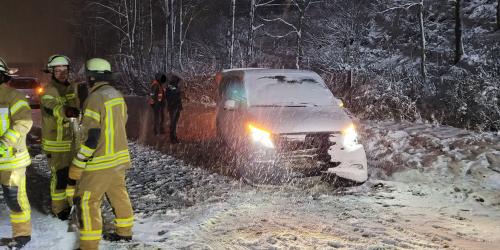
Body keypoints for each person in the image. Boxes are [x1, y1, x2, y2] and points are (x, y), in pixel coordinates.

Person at [68, 58, 134, 250]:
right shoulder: (117, 95)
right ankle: (125, 233)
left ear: (90, 78)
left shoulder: (94, 99)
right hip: (119, 158)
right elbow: (121, 123)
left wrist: (79, 161)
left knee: (87, 200)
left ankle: (88, 245)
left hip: (100, 161)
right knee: (119, 195)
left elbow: (91, 137)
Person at [40, 55, 80, 220]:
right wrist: (66, 111)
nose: (62, 73)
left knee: (74, 176)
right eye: (58, 70)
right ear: (52, 72)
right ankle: (59, 209)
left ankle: (72, 203)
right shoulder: (49, 90)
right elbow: (52, 107)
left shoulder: (72, 88)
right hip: (56, 144)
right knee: (60, 177)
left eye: (64, 70)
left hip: (72, 142)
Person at [0, 57, 32, 248]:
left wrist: (4, 143)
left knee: (15, 199)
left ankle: (22, 236)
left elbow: (24, 122)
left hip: (12, 160)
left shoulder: (14, 97)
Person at [165, 73, 183, 143]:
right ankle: (172, 138)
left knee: (175, 123)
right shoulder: (171, 87)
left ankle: (174, 137)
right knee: (173, 123)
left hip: (177, 106)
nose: (178, 82)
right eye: (178, 80)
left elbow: (176, 95)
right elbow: (171, 96)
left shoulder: (175, 86)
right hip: (173, 107)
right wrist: (178, 93)